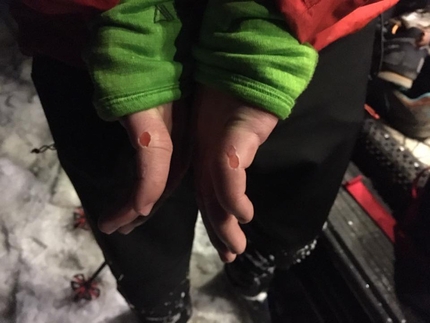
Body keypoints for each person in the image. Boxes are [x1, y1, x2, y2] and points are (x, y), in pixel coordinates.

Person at [10, 0, 397, 322]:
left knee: (281, 208)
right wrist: (128, 32)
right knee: (137, 217)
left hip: (311, 30)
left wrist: (275, 26)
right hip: (90, 32)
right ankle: (163, 308)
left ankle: (253, 272)